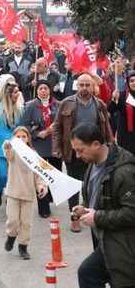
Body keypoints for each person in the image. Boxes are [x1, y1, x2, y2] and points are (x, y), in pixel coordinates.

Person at [71, 123, 135, 288]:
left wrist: (97, 217)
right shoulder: (93, 163)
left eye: (80, 150)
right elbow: (97, 196)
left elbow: (131, 213)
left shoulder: (124, 172)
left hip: (124, 244)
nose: (77, 156)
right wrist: (84, 208)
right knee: (87, 273)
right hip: (106, 239)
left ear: (96, 145)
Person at [52, 73, 114, 233]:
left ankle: (89, 215)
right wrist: (57, 149)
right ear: (76, 85)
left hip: (94, 153)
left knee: (92, 186)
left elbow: (106, 129)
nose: (84, 88)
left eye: (88, 85)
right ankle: (75, 219)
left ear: (93, 86)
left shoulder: (99, 104)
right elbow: (57, 128)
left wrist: (111, 146)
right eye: (81, 85)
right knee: (72, 187)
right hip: (73, 152)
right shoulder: (66, 103)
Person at [2, 127, 48, 260]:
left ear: (28, 138)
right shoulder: (13, 151)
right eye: (18, 136)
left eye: (24, 136)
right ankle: (11, 236)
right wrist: (8, 145)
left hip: (28, 194)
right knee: (13, 220)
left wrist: (41, 186)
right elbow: (7, 152)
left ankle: (23, 247)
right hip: (13, 192)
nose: (21, 139)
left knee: (26, 223)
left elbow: (39, 174)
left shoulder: (33, 154)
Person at [20, 79, 60, 218]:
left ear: (50, 90)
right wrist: (37, 133)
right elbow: (23, 126)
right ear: (37, 91)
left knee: (54, 174)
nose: (43, 91)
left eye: (45, 88)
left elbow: (62, 123)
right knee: (42, 176)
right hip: (38, 145)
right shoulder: (31, 106)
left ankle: (49, 197)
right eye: (40, 88)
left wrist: (55, 128)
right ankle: (43, 208)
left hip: (54, 146)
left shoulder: (57, 104)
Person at [0, 74, 25, 208]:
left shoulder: (20, 109)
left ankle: (10, 197)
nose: (18, 94)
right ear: (9, 94)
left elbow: (21, 128)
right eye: (15, 92)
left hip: (15, 147)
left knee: (13, 177)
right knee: (2, 176)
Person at [108, 70, 135, 155]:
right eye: (131, 81)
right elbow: (110, 110)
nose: (134, 83)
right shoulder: (122, 95)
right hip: (126, 137)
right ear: (128, 83)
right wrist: (113, 99)